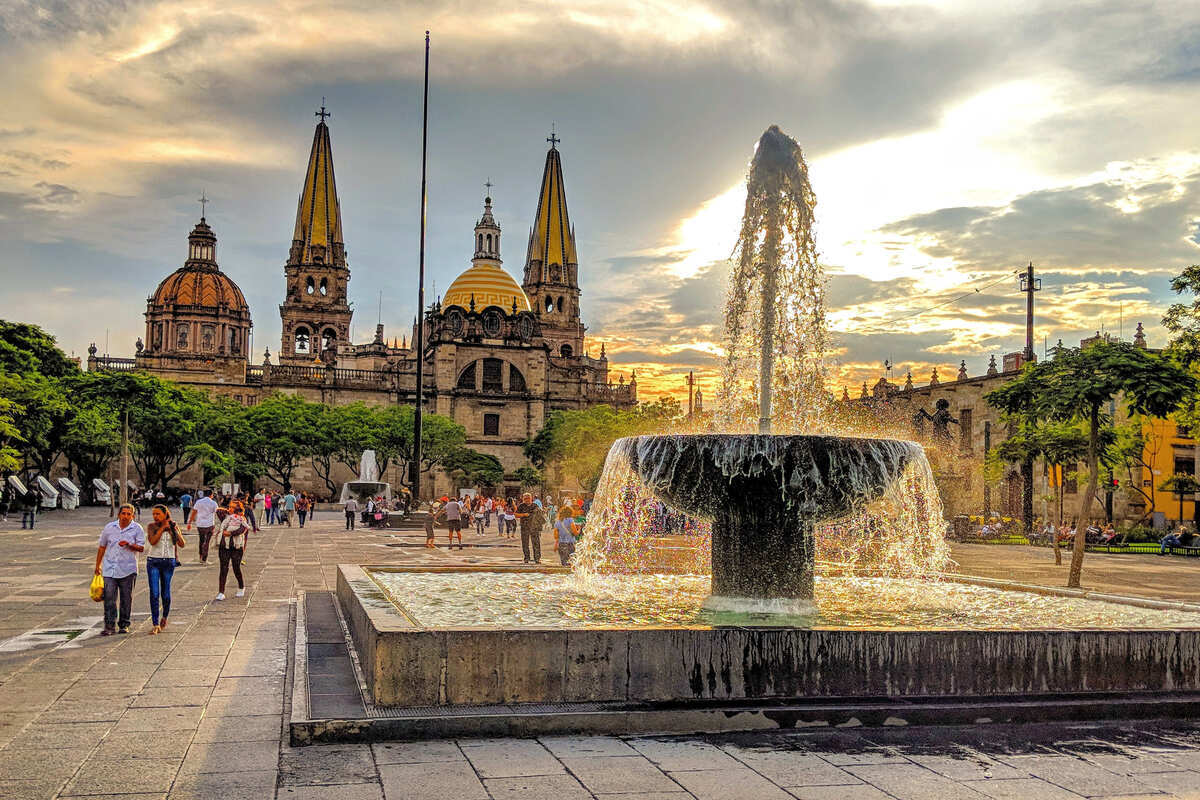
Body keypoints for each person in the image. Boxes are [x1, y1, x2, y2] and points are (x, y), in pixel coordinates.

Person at [95, 503, 145, 635]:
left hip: (128, 569)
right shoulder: (109, 527)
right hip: (110, 568)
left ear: (133, 516)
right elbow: (102, 546)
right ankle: (109, 626)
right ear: (119, 514)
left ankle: (124, 624)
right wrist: (97, 565)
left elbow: (141, 548)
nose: (126, 516)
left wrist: (129, 545)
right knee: (109, 598)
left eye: (129, 514)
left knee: (126, 598)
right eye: (123, 513)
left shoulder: (137, 528)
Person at [145, 503, 185, 634]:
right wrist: (162, 528)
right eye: (153, 514)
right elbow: (153, 541)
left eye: (158, 514)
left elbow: (182, 544)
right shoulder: (151, 526)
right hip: (153, 561)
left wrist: (173, 529)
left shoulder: (173, 526)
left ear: (165, 514)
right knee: (154, 593)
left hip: (168, 562)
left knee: (166, 594)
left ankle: (165, 617)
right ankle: (155, 623)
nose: (155, 516)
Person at [215, 501, 249, 600]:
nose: (230, 509)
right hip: (224, 546)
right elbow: (218, 511)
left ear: (238, 509)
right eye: (229, 507)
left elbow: (242, 530)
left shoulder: (242, 519)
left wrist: (230, 533)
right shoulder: (225, 517)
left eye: (232, 507)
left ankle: (241, 586)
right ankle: (221, 592)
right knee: (223, 568)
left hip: (236, 547)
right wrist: (228, 511)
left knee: (236, 567)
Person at [188, 490, 220, 565]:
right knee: (207, 542)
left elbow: (193, 512)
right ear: (211, 495)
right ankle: (204, 559)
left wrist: (189, 523)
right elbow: (218, 513)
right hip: (210, 525)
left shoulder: (199, 502)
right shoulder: (213, 503)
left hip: (200, 524)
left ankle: (200, 557)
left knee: (201, 540)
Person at [515, 493, 543, 564]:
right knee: (525, 543)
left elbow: (540, 515)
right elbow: (516, 514)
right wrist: (523, 514)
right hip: (524, 527)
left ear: (531, 498)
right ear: (523, 499)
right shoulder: (521, 506)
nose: (527, 500)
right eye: (525, 498)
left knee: (536, 543)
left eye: (528, 498)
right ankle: (526, 558)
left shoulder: (535, 505)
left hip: (534, 527)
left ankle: (537, 558)